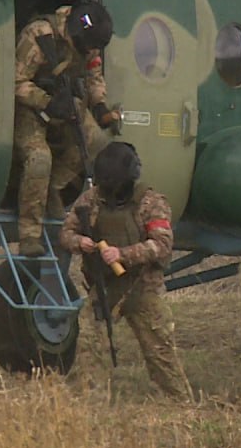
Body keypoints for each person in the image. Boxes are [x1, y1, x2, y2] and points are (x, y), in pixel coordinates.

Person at [59, 142, 191, 399]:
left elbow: (162, 245)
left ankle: (179, 403)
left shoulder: (152, 203)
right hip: (106, 287)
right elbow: (66, 233)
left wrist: (123, 254)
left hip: (143, 288)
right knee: (89, 343)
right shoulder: (91, 200)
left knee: (160, 352)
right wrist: (79, 242)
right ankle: (90, 400)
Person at [14, 0, 120, 256]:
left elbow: (94, 76)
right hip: (29, 107)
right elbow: (16, 82)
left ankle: (51, 187)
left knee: (97, 143)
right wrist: (47, 102)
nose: (88, 52)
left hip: (65, 104)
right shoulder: (40, 34)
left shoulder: (88, 43)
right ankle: (29, 233)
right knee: (40, 159)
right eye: (86, 47)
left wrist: (100, 106)